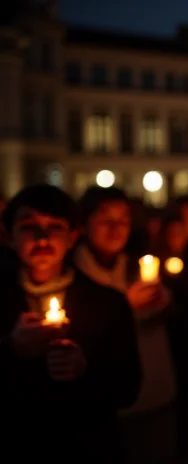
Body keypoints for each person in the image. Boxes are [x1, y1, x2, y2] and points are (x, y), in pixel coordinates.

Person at [0, 184, 141, 462]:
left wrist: (84, 370)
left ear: (73, 236)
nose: (42, 239)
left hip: (87, 447)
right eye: (29, 227)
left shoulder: (108, 302)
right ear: (9, 236)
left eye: (55, 227)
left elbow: (129, 388)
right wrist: (11, 349)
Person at [73, 186, 178, 464]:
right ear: (83, 225)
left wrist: (165, 302)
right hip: (105, 404)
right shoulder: (74, 276)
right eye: (106, 220)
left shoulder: (136, 267)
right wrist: (123, 308)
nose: (116, 228)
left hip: (155, 393)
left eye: (123, 220)